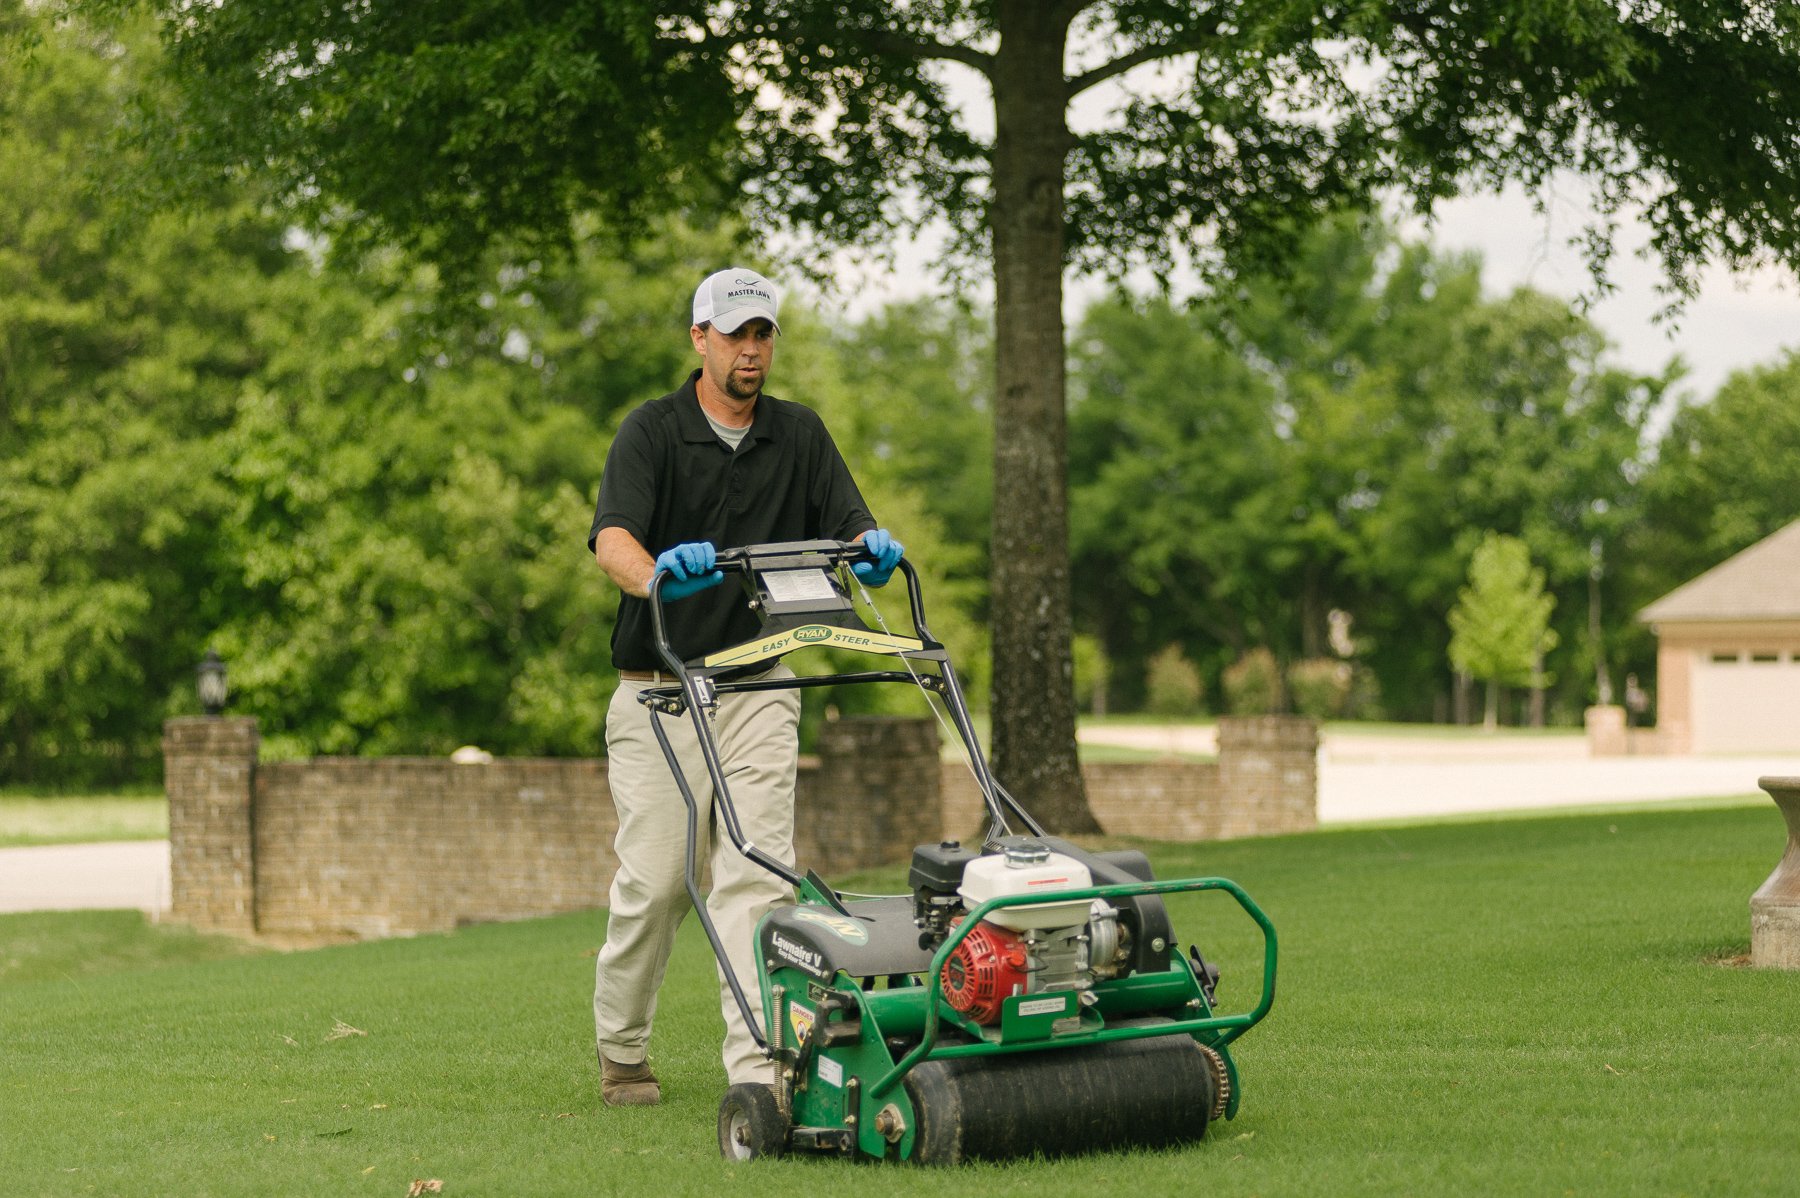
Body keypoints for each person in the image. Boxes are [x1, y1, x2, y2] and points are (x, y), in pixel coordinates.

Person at [585, 267, 903, 1106]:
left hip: (761, 684)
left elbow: (849, 521)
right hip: (661, 690)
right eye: (736, 335)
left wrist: (871, 544)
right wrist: (657, 575)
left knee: (757, 875)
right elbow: (611, 538)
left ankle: (759, 1069)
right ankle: (622, 1049)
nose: (752, 350)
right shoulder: (651, 432)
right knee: (656, 882)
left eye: (763, 334)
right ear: (700, 340)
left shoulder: (799, 434)